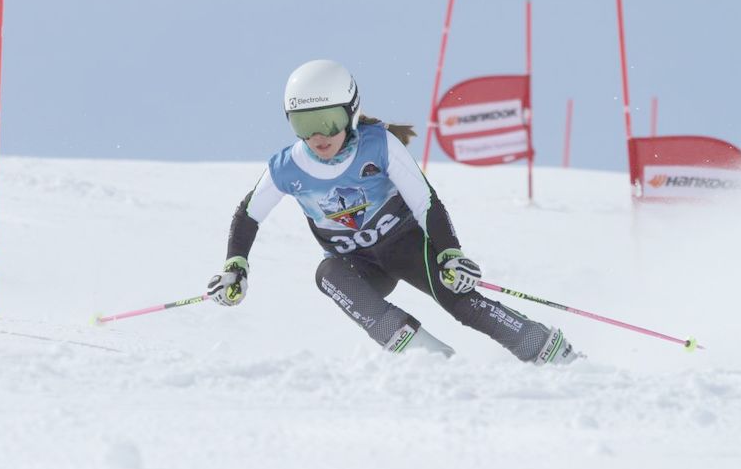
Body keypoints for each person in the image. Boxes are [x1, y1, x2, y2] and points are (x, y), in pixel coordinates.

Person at [206, 59, 579, 364]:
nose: (318, 136)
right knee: (327, 275)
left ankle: (547, 350)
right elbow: (248, 215)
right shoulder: (288, 167)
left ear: (351, 112)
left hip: (405, 246)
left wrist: (450, 253)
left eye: (328, 121)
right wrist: (235, 266)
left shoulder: (378, 145)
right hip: (358, 265)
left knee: (460, 299)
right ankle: (423, 354)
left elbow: (425, 201)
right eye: (304, 124)